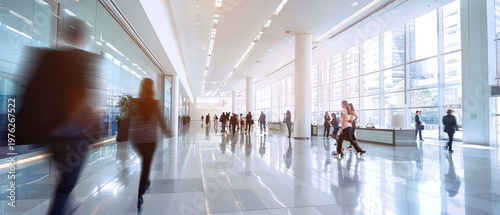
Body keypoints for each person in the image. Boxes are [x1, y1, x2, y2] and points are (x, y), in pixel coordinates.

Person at [16, 18, 101, 215]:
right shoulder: (84, 60)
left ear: (64, 35)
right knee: (65, 187)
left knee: (64, 182)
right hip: (75, 136)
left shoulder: (48, 58)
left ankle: (67, 209)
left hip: (51, 136)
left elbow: (31, 91)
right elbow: (85, 97)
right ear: (81, 37)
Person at [128, 78, 172, 210]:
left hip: (137, 140)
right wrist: (168, 132)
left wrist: (124, 136)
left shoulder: (133, 102)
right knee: (146, 164)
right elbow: (161, 121)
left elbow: (127, 120)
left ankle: (146, 181)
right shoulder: (155, 103)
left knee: (145, 161)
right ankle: (140, 193)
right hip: (151, 139)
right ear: (152, 88)